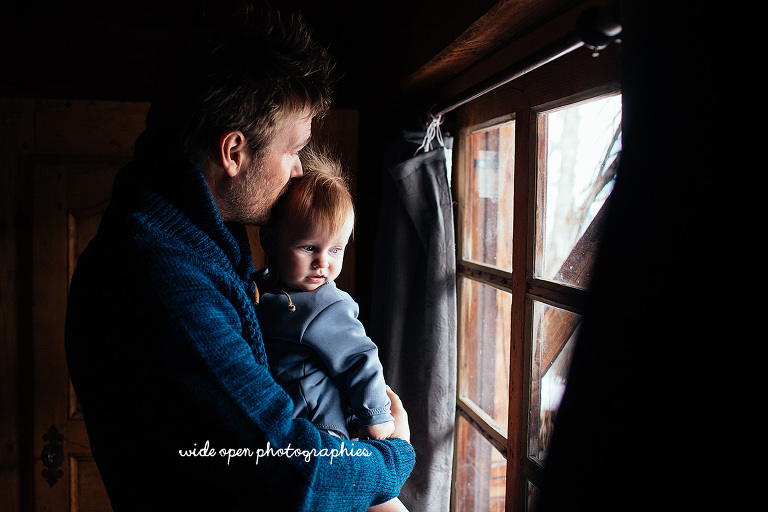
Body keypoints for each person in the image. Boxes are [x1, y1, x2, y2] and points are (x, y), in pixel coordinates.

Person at [64, 2, 414, 510]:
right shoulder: (165, 275)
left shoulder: (188, 239)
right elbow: (283, 466)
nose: (298, 171)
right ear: (234, 152)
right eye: (293, 149)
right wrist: (393, 457)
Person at [255, 148, 409, 512]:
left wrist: (378, 421)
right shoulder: (263, 289)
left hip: (325, 433)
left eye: (335, 249)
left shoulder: (327, 304)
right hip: (289, 431)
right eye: (309, 247)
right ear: (269, 242)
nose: (323, 263)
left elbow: (360, 359)